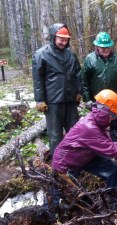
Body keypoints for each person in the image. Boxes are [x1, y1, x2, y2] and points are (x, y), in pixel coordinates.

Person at [52, 89, 117, 196]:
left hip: (85, 157)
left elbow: (107, 145)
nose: (113, 119)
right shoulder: (89, 128)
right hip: (66, 164)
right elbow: (110, 150)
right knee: (62, 197)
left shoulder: (96, 124)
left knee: (112, 170)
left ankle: (116, 201)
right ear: (104, 112)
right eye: (113, 115)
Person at [32, 23, 82, 157]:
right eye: (61, 39)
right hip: (53, 101)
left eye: (66, 39)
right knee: (55, 134)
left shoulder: (71, 54)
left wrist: (79, 91)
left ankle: (75, 161)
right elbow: (38, 79)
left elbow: (78, 74)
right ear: (54, 37)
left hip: (71, 100)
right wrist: (40, 99)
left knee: (74, 132)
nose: (63, 42)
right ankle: (58, 164)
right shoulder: (41, 54)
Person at [81, 32, 117, 142]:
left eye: (107, 47)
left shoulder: (115, 59)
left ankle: (116, 148)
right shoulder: (90, 59)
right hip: (98, 101)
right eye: (103, 47)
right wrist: (87, 99)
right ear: (97, 46)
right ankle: (99, 149)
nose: (105, 50)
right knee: (98, 126)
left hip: (115, 100)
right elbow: (84, 81)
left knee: (115, 125)